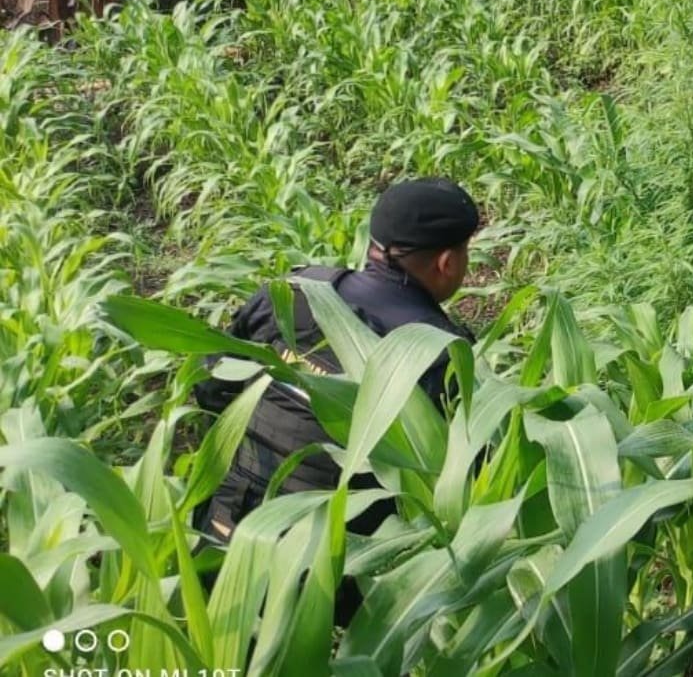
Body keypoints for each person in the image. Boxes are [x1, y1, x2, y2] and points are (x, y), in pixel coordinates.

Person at [195, 177, 480, 541]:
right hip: (332, 553)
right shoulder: (440, 353)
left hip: (225, 514)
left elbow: (211, 387)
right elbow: (455, 479)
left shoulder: (292, 293)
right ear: (447, 262)